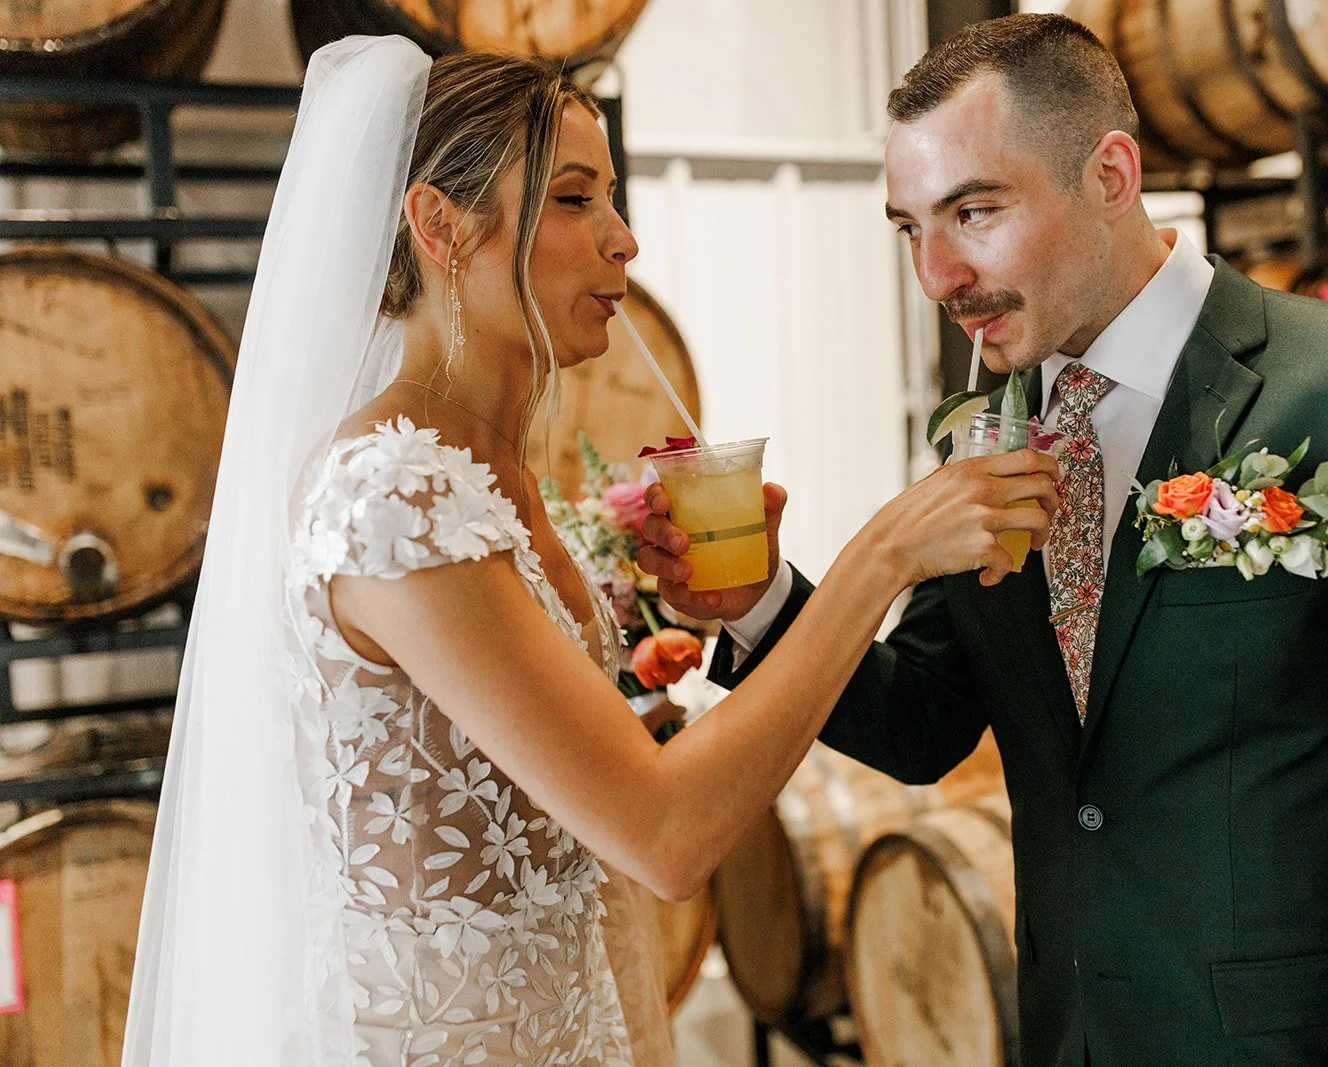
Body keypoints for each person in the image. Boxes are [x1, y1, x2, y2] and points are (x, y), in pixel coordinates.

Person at [121, 35, 1059, 1066]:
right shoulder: (393, 495)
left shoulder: (496, 473)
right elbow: (665, 836)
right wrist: (883, 553)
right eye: (574, 200)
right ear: (440, 225)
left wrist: (706, 638)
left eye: (611, 198)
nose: (623, 240)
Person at [640, 14, 1328, 1066]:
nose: (936, 273)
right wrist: (757, 602)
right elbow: (925, 718)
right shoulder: (987, 423)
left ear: (1112, 175)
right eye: (908, 228)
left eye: (973, 211)